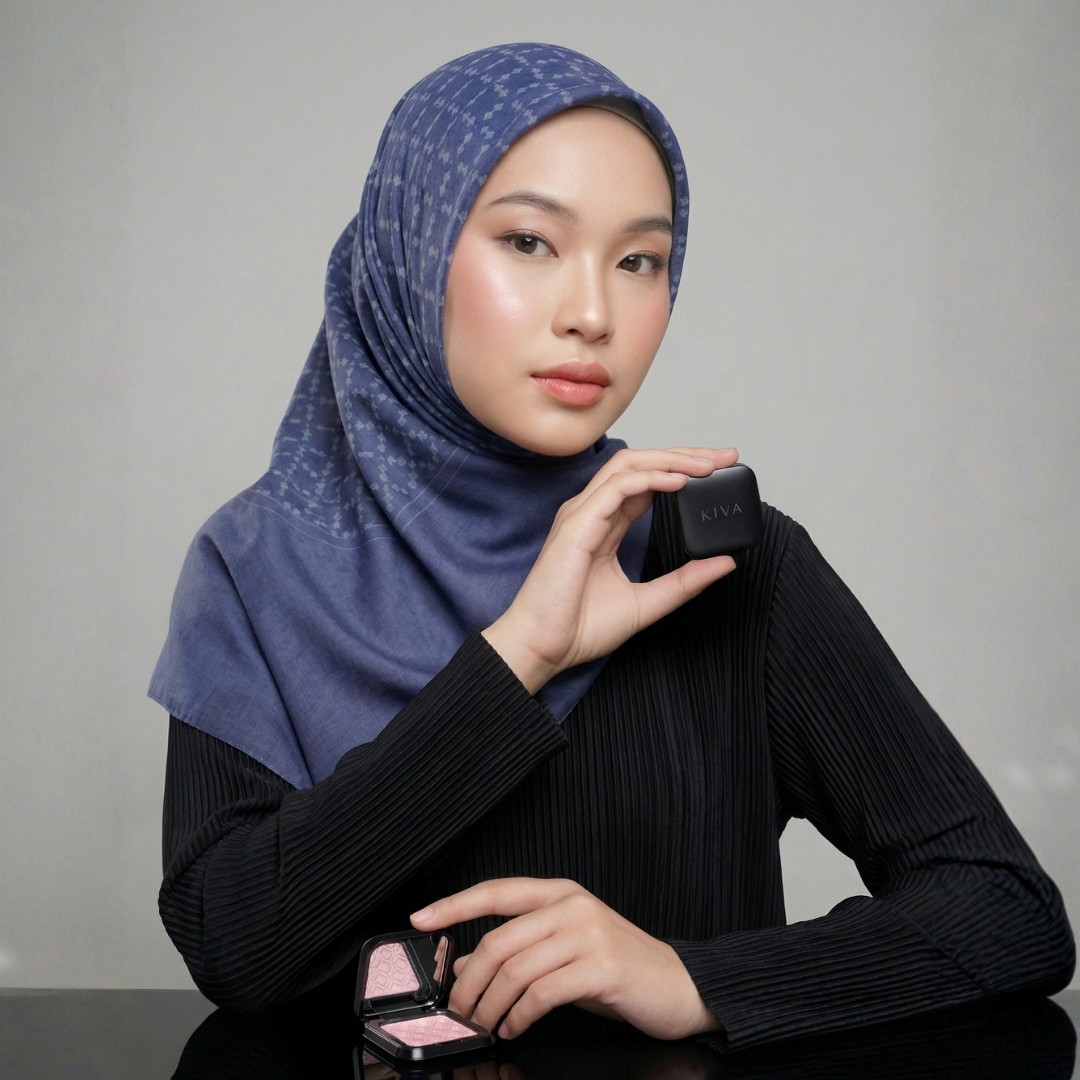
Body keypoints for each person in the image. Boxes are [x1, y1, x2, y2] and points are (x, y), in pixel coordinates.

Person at [150, 42, 1074, 1051]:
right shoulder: (258, 569)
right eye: (530, 243)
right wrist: (520, 657)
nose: (592, 315)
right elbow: (235, 947)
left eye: (640, 261)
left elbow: (1007, 913)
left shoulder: (721, 561)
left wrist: (691, 978)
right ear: (410, 250)